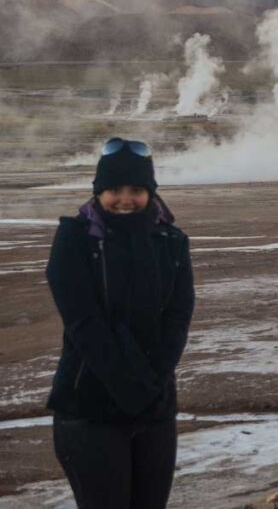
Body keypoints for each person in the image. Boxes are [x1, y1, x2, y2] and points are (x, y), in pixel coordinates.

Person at [45, 138, 195, 509]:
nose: (124, 199)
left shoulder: (172, 242)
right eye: (114, 189)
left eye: (136, 190)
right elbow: (83, 324)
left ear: (150, 192)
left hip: (155, 410)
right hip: (88, 410)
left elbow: (178, 316)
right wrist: (133, 390)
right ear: (98, 192)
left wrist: (154, 381)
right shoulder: (74, 240)